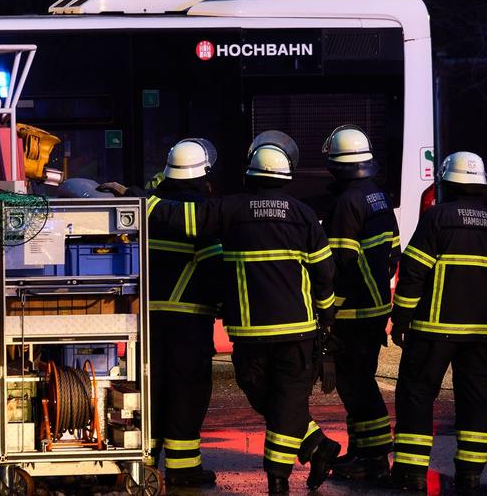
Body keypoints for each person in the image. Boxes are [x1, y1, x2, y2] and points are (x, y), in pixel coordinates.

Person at [111, 131, 341, 493]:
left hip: (164, 323)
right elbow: (324, 272)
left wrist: (136, 198)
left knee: (153, 391)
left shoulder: (224, 210)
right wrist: (327, 316)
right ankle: (310, 446)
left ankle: (149, 464)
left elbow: (176, 220)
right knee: (200, 393)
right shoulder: (304, 215)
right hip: (258, 328)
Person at [389, 152, 487, 496]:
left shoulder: (437, 218)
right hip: (482, 335)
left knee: (416, 395)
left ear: (447, 182)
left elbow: (413, 272)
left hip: (433, 331)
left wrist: (401, 317)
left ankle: (414, 474)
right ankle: (471, 475)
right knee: (476, 401)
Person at [319, 126, 400, 481]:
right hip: (375, 306)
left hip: (353, 311)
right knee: (360, 380)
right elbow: (394, 253)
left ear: (336, 165)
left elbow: (339, 263)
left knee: (357, 386)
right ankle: (364, 453)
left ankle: (374, 459)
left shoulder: (344, 203)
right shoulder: (377, 197)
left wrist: (329, 309)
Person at [146, 139, 224, 487]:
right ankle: (183, 469)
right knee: (187, 392)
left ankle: (144, 461)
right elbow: (213, 270)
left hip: (145, 318)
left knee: (150, 389)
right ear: (203, 173)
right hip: (188, 318)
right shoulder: (202, 213)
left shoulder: (150, 206)